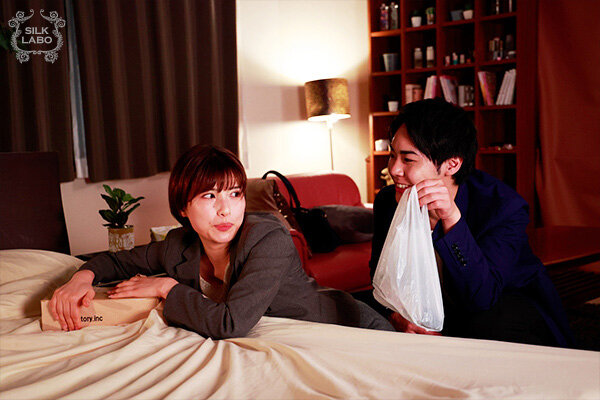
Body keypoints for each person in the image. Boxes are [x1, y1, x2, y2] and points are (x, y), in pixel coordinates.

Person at [50, 145, 393, 338]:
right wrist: (81, 278)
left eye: (235, 194)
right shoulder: (178, 245)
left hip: (348, 331)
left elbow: (230, 323)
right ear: (183, 208)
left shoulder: (267, 238)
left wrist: (166, 287)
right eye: (209, 196)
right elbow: (117, 260)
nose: (225, 209)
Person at [366, 98, 574, 347]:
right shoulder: (388, 201)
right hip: (441, 309)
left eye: (408, 159)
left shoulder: (503, 207)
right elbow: (380, 275)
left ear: (452, 164)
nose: (394, 169)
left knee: (481, 325)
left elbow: (482, 296)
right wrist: (395, 316)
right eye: (392, 155)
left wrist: (451, 219)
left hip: (505, 304)